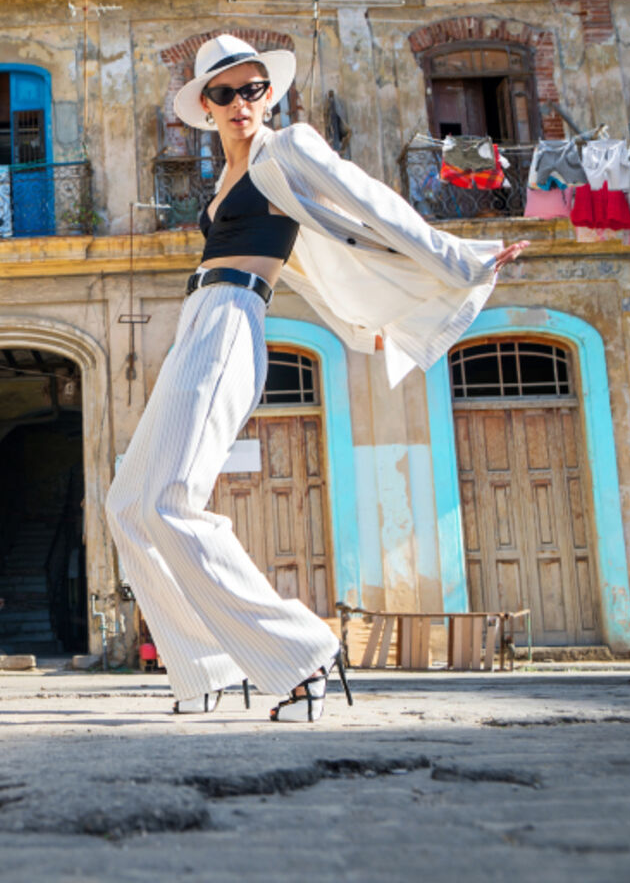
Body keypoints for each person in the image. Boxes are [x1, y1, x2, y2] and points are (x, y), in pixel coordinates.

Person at [105, 35, 528, 722]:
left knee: (172, 501)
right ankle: (202, 664)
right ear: (205, 106)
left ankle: (301, 656)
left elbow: (371, 202)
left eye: (251, 89)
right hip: (196, 321)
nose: (239, 103)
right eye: (223, 93)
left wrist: (460, 257)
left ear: (268, 94)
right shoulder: (226, 177)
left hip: (231, 319)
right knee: (127, 504)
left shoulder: (289, 148)